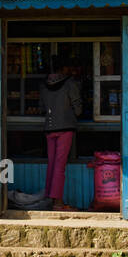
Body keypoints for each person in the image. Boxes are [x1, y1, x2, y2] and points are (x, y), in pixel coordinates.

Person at [39, 56, 82, 212]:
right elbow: (78, 108)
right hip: (65, 127)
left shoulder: (43, 86)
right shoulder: (70, 83)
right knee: (60, 166)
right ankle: (58, 202)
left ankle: (50, 199)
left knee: (52, 164)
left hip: (49, 128)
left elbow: (41, 108)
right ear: (63, 68)